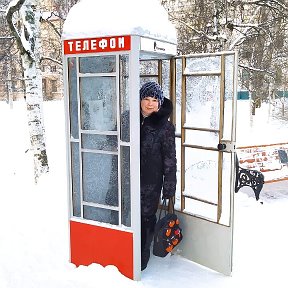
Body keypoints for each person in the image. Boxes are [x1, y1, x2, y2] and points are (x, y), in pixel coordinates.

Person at [139, 81, 177, 271]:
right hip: (127, 180)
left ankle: (141, 259)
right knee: (128, 216)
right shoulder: (128, 119)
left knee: (146, 219)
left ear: (160, 103)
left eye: (154, 100)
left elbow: (170, 159)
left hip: (150, 184)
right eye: (146, 98)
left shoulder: (165, 127)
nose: (149, 103)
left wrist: (169, 186)